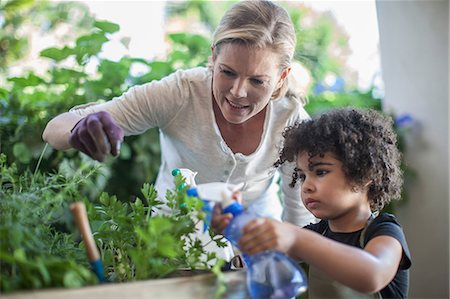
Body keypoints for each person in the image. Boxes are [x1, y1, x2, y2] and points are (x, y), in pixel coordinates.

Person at [42, 0, 315, 261]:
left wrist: (290, 266)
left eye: (257, 81)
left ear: (281, 77)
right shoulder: (180, 94)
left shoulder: (290, 121)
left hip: (254, 243)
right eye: (227, 72)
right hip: (172, 239)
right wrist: (78, 128)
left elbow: (301, 215)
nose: (238, 91)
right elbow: (54, 129)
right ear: (213, 57)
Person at [222, 108, 411, 298]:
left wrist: (296, 238)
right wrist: (235, 224)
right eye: (303, 176)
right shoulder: (315, 234)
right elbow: (262, 266)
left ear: (364, 175)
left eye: (320, 172)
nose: (306, 187)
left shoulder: (384, 231)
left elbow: (372, 275)